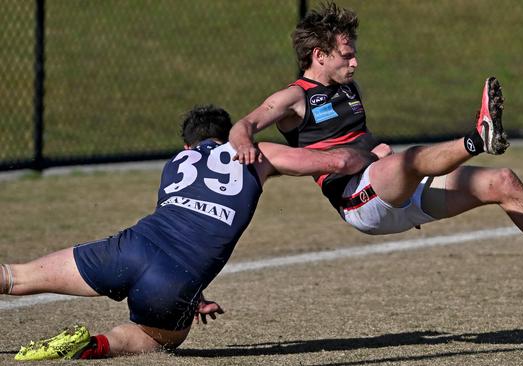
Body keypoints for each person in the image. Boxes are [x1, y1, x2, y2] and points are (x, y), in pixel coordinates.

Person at [228, 2, 523, 291]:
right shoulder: (293, 97)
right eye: (347, 56)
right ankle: (478, 138)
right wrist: (245, 139)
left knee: (502, 181)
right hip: (360, 202)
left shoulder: (347, 87)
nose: (355, 63)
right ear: (319, 55)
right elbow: (244, 125)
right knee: (404, 161)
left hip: (396, 190)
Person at [0, 105, 378, 360]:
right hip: (174, 281)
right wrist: (375, 156)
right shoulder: (254, 153)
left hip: (129, 248)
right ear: (230, 134)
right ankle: (94, 345)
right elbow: (340, 160)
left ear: (187, 145)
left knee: (17, 276)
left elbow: (180, 225)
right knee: (159, 338)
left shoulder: (175, 162)